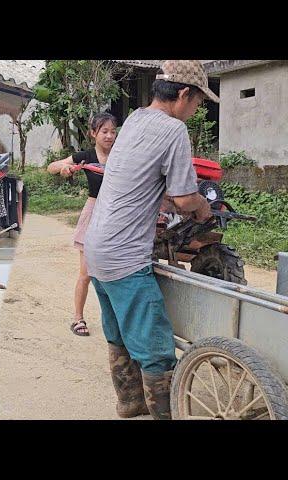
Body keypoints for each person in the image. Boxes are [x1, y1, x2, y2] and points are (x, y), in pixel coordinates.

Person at [83, 61, 217, 419]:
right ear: (185, 94)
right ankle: (164, 414)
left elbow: (143, 185)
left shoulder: (135, 121)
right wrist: (202, 206)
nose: (196, 111)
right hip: (125, 256)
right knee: (156, 346)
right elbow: (187, 199)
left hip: (96, 249)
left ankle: (129, 403)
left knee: (119, 332)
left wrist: (176, 200)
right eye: (198, 104)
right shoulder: (173, 130)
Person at [47, 113, 118, 336]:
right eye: (104, 131)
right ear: (93, 133)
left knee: (116, 272)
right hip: (94, 212)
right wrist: (65, 168)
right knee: (86, 273)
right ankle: (78, 318)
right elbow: (52, 166)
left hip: (116, 215)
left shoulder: (121, 155)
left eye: (112, 131)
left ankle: (117, 320)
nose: (109, 136)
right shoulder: (86, 156)